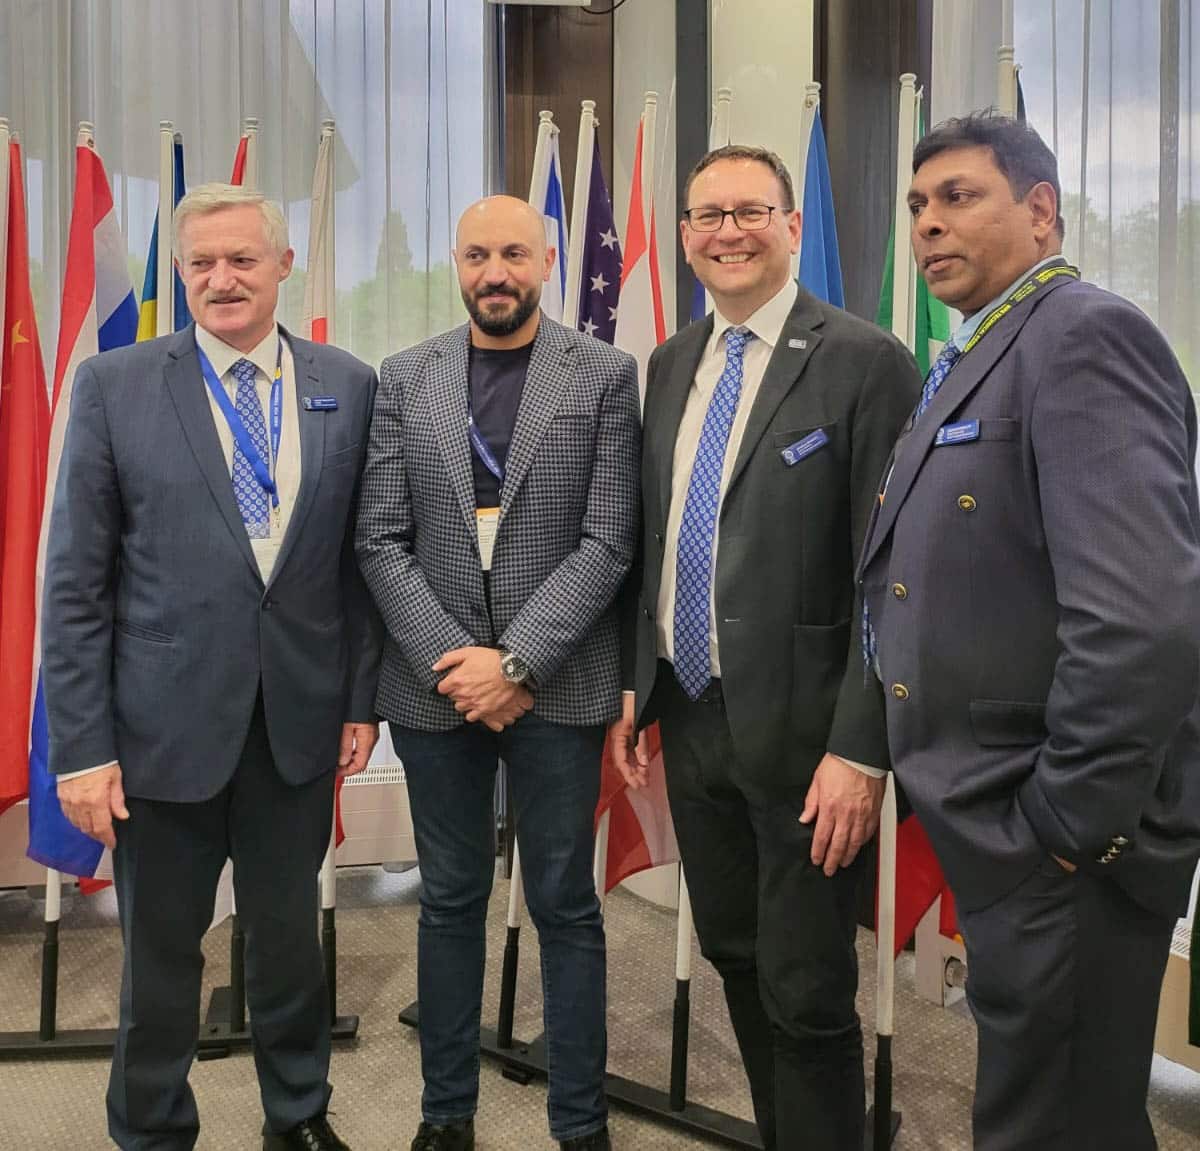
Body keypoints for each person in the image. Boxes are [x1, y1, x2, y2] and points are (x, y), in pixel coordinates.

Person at [858, 111, 1200, 1149]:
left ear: (1041, 210)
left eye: (959, 196)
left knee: (1048, 1123)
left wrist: (1058, 829)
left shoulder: (1083, 336)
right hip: (1003, 818)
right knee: (1074, 1113)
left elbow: (1140, 619)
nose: (928, 223)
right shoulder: (983, 349)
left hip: (1063, 844)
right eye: (917, 204)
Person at [42, 183, 382, 1151]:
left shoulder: (347, 382)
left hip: (295, 726)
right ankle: (151, 1128)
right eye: (202, 264)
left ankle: (298, 1115)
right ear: (182, 273)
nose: (222, 279)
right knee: (159, 960)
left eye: (242, 259)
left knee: (289, 947)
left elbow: (358, 562)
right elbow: (76, 585)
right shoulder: (115, 386)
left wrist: (359, 699)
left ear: (283, 266)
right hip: (159, 733)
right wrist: (81, 750)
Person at [607, 144, 921, 1150]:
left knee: (809, 987)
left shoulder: (865, 361)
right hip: (694, 715)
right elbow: (657, 539)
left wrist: (862, 748)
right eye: (707, 215)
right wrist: (637, 685)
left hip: (811, 738)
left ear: (791, 225)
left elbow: (894, 574)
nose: (727, 231)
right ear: (685, 236)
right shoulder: (669, 363)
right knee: (736, 953)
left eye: (750, 211)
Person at [355, 195, 639, 1151]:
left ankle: (580, 1122)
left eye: (514, 253)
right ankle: (446, 1115)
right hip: (433, 686)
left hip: (557, 682)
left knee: (564, 902)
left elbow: (610, 539)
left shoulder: (603, 375)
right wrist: (459, 666)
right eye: (477, 255)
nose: (495, 272)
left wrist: (516, 661)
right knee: (449, 900)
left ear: (547, 260)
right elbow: (380, 538)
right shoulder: (405, 376)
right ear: (456, 262)